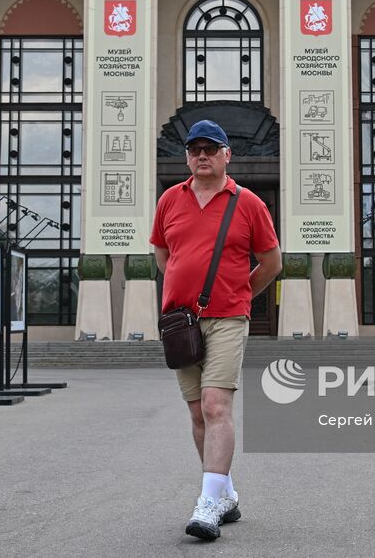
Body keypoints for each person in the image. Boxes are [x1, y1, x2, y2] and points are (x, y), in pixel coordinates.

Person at [151, 119, 282, 542]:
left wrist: (238, 294)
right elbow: (163, 254)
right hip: (180, 322)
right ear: (187, 157)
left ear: (227, 154)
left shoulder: (249, 204)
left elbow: (272, 263)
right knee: (197, 413)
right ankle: (224, 493)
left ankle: (206, 504)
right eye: (195, 149)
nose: (202, 155)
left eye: (211, 148)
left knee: (214, 405)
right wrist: (181, 289)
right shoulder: (170, 199)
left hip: (227, 317)